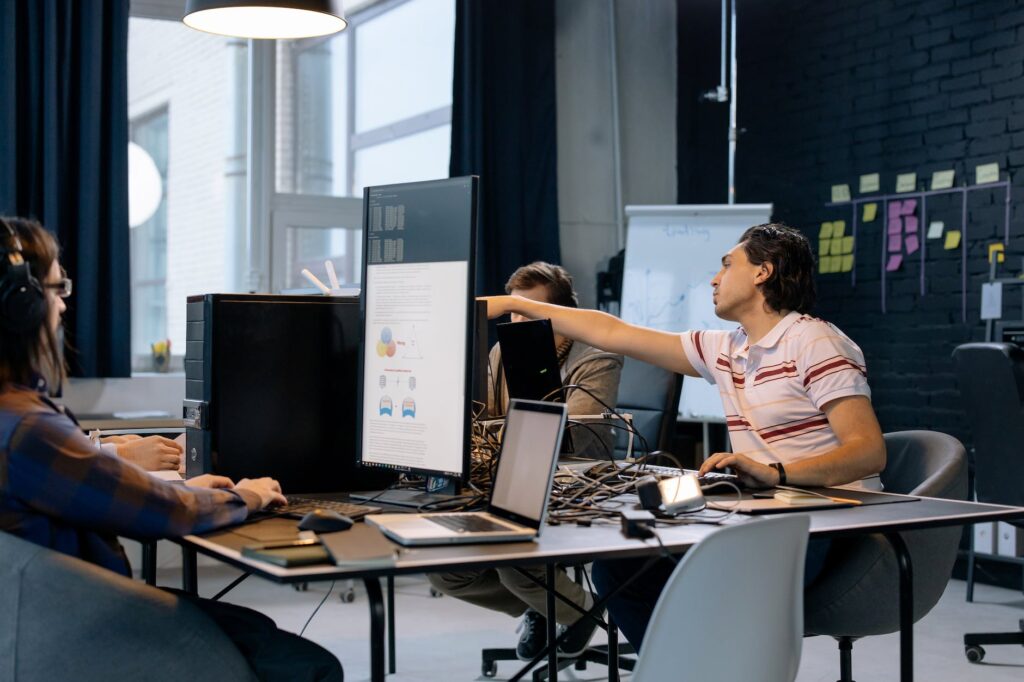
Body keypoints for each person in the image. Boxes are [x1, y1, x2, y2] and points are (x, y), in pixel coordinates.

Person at [484, 223, 886, 650]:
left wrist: (776, 473)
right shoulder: (728, 348)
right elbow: (612, 332)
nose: (714, 278)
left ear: (762, 272)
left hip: (826, 518)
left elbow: (868, 452)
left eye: (727, 265)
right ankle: (674, 667)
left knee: (691, 570)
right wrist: (513, 304)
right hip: (762, 504)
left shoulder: (815, 342)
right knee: (620, 558)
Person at [0, 216, 343, 681]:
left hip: (40, 622)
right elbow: (160, 511)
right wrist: (246, 495)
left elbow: (103, 487)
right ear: (22, 305)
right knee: (308, 666)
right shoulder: (27, 428)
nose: (63, 307)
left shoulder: (14, 415)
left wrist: (176, 485)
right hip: (84, 630)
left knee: (253, 627)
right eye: (58, 289)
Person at [428, 262, 623, 662]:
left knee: (514, 555)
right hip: (509, 476)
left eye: (529, 311)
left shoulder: (597, 355)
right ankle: (552, 607)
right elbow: (484, 418)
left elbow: (571, 430)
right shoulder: (503, 350)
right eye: (513, 311)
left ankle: (577, 612)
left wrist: (500, 434)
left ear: (561, 314)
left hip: (578, 481)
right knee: (444, 568)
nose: (519, 321)